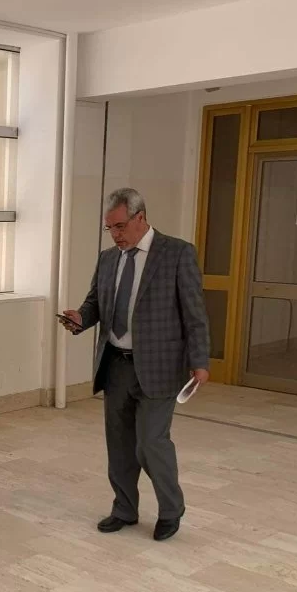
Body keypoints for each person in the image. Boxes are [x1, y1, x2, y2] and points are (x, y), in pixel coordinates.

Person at [61, 187, 210, 541]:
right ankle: (124, 509)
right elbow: (95, 303)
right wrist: (79, 318)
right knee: (119, 444)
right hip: (116, 365)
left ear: (140, 217)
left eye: (120, 226)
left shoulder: (177, 253)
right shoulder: (108, 259)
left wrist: (200, 361)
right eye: (109, 228)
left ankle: (171, 510)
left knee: (150, 443)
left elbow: (195, 314)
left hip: (161, 367)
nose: (115, 234)